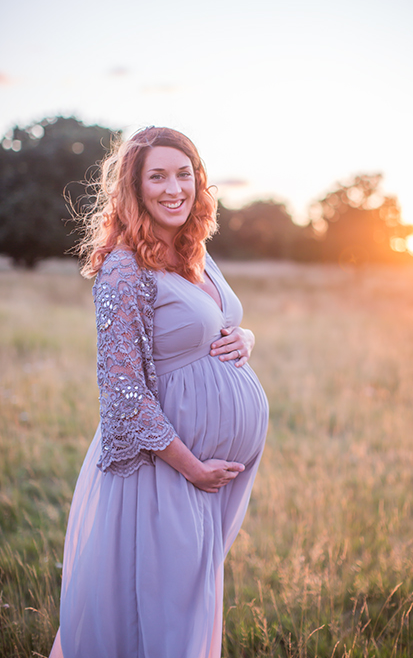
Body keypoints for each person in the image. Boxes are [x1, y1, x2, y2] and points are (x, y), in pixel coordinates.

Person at [50, 127, 270, 658]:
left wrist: (245, 337)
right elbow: (122, 390)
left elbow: (212, 325)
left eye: (184, 173)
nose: (174, 188)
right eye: (158, 176)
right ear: (134, 186)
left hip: (201, 472)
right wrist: (191, 466)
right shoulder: (124, 267)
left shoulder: (195, 252)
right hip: (162, 469)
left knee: (189, 605)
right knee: (158, 618)